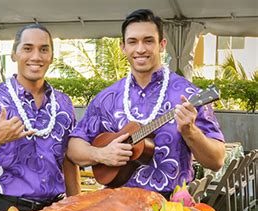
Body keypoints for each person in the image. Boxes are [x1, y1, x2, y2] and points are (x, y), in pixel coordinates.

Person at [67, 9, 225, 198]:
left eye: (148, 40)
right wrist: (101, 155)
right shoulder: (106, 98)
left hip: (171, 210)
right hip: (116, 209)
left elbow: (216, 160)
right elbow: (73, 148)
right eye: (133, 42)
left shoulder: (189, 96)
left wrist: (191, 132)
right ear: (123, 47)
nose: (140, 49)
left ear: (162, 45)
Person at [0, 24, 80, 211]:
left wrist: (76, 209)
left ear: (51, 57)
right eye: (27, 48)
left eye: (44, 49)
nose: (36, 57)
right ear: (14, 54)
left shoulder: (63, 103)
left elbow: (70, 161)